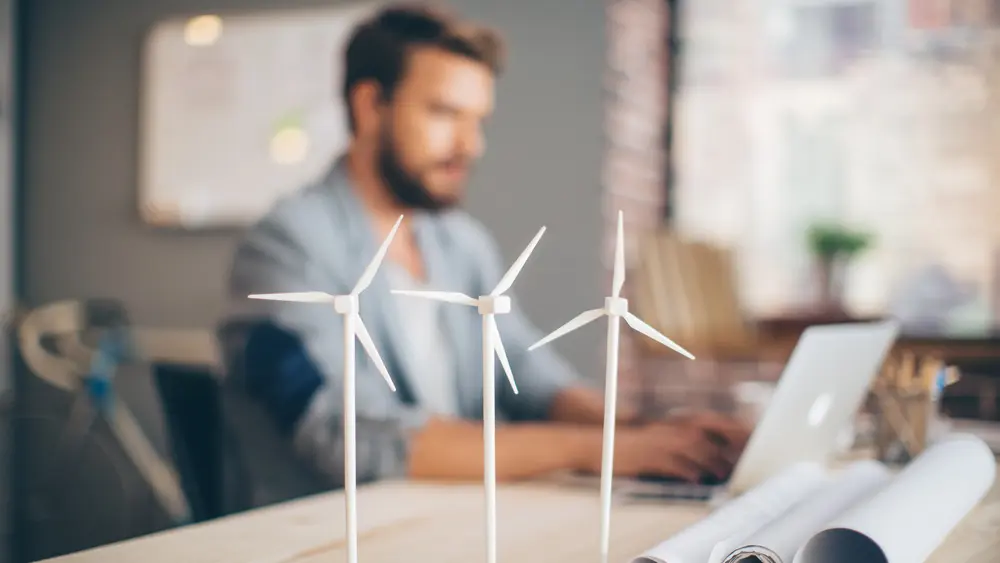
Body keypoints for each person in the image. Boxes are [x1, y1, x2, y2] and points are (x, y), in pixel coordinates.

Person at [225, 3, 749, 489]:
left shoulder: (461, 243)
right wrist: (604, 449)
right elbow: (349, 436)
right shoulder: (284, 246)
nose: (470, 146)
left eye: (478, 121)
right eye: (444, 113)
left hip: (452, 514)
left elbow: (524, 371)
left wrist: (646, 431)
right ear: (370, 106)